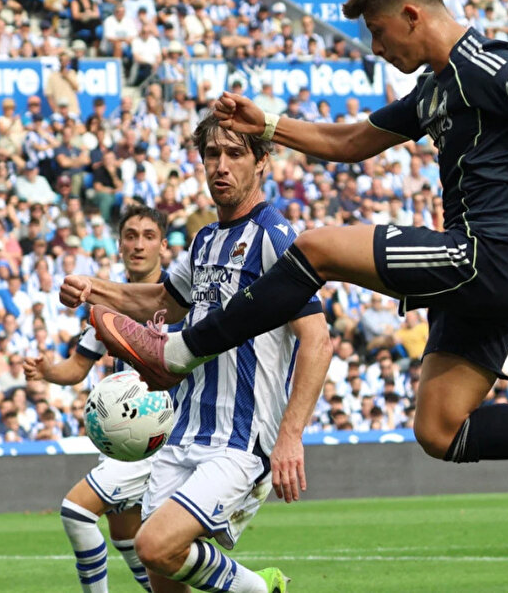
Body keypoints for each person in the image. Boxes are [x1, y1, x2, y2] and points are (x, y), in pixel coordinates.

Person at [63, 0, 508, 502]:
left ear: (413, 14)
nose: (379, 48)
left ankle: (181, 351)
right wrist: (264, 123)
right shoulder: (435, 88)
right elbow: (350, 141)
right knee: (440, 429)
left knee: (316, 247)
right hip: (498, 277)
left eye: (381, 33)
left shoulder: (489, 66)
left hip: (493, 256)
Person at [64, 115, 331, 593]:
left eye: (234, 154)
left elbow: (317, 339)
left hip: (241, 439)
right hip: (184, 433)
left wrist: (291, 436)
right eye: (212, 155)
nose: (220, 166)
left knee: (154, 546)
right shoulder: (206, 241)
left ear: (262, 162)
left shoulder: (275, 237)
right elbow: (160, 302)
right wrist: (94, 288)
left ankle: (259, 588)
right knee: (162, 574)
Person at [24, 205, 172, 593]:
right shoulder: (104, 305)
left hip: (165, 437)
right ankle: (254, 584)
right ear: (119, 245)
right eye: (130, 236)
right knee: (128, 540)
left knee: (76, 512)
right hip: (129, 435)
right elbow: (76, 367)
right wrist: (46, 371)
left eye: (148, 236)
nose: (138, 244)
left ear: (163, 246)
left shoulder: (180, 300)